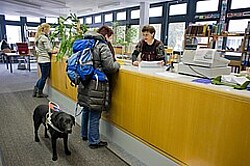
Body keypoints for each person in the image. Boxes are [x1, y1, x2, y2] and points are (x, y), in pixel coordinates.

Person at [78, 25, 120, 149]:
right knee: (95, 113)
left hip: (84, 81)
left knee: (86, 108)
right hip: (96, 83)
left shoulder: (85, 43)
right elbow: (110, 67)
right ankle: (94, 141)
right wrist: (117, 64)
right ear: (106, 36)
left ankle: (84, 134)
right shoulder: (102, 46)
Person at [32, 23, 57, 98]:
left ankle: (35, 90)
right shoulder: (44, 38)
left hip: (40, 59)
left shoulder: (38, 37)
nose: (49, 31)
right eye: (49, 29)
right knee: (44, 77)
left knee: (42, 77)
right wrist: (56, 51)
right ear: (45, 29)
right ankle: (39, 92)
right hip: (45, 60)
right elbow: (49, 50)